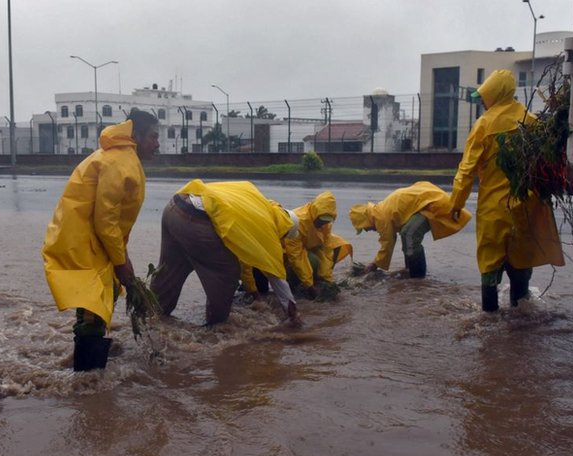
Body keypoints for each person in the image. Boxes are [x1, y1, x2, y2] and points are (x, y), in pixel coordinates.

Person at [42, 110, 160, 371]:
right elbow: (105, 220)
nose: (158, 144)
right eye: (153, 137)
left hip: (91, 241)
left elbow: (113, 221)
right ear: (136, 136)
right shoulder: (120, 162)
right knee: (92, 309)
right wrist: (121, 263)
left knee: (98, 303)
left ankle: (89, 373)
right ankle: (87, 381)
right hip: (83, 243)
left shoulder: (123, 159)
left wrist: (122, 256)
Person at [448, 69, 564, 311]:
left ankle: (488, 319)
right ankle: (520, 315)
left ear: (493, 94)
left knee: (489, 265)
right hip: (526, 205)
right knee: (521, 262)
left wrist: (456, 204)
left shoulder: (484, 125)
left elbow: (466, 170)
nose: (482, 101)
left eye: (484, 96)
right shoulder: (530, 122)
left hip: (494, 210)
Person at [150, 179, 303, 328]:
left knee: (170, 269)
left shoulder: (256, 201)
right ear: (284, 231)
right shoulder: (268, 232)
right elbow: (277, 278)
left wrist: (253, 292)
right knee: (227, 273)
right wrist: (292, 313)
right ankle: (216, 328)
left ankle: (152, 317)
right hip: (196, 220)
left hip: (175, 205)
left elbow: (245, 262)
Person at [349, 181, 471, 278]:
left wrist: (373, 265)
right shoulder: (380, 210)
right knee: (407, 235)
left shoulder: (380, 217)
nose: (367, 230)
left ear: (366, 220)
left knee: (409, 234)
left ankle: (417, 276)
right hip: (428, 202)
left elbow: (387, 244)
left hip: (432, 204)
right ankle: (410, 270)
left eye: (364, 228)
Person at [281, 191, 353, 298]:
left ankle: (317, 278)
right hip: (286, 253)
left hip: (308, 246)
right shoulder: (298, 221)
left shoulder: (326, 224)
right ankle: (293, 284)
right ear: (315, 212)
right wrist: (309, 285)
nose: (323, 224)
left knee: (338, 243)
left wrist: (327, 279)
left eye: (327, 221)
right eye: (321, 220)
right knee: (312, 260)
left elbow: (327, 250)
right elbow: (296, 256)